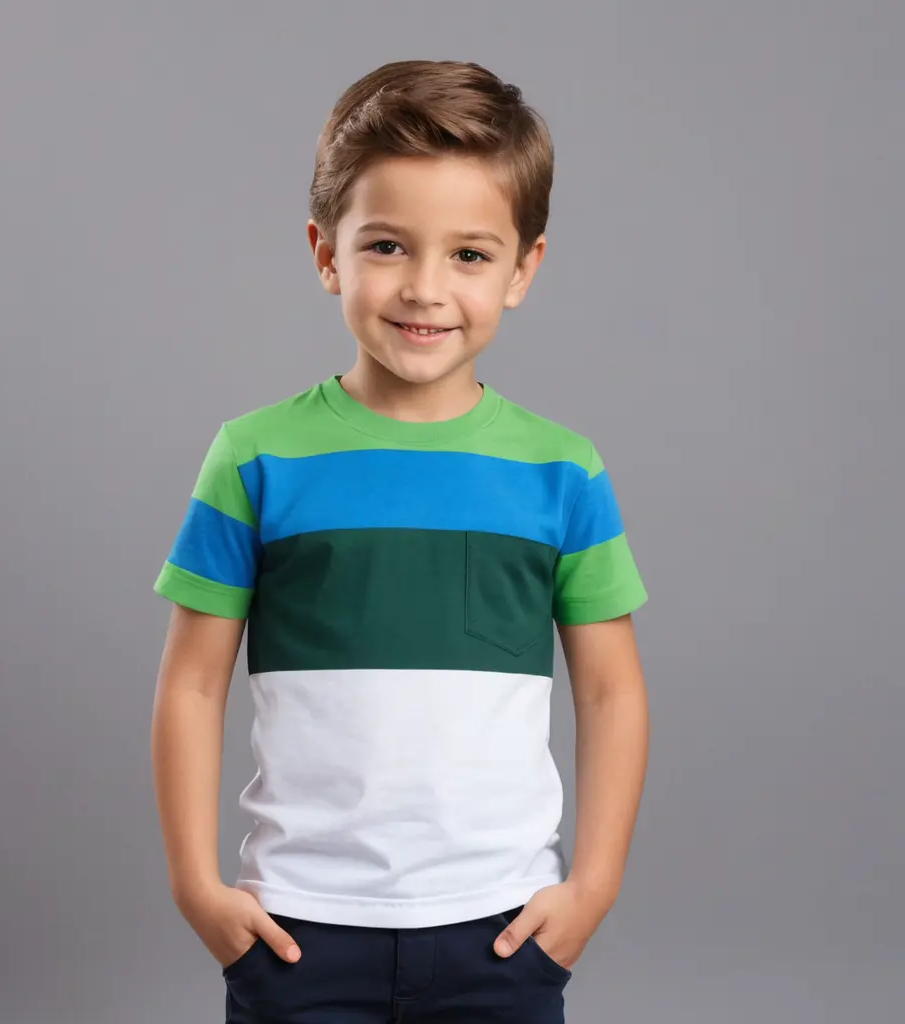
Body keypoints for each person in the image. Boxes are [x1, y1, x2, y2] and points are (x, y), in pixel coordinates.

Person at [150, 58, 649, 1023]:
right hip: (297, 928)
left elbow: (610, 690)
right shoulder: (255, 457)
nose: (424, 288)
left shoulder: (563, 471)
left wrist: (592, 887)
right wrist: (195, 888)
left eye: (469, 255)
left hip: (502, 928)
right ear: (326, 253)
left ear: (523, 269)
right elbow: (192, 684)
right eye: (386, 246)